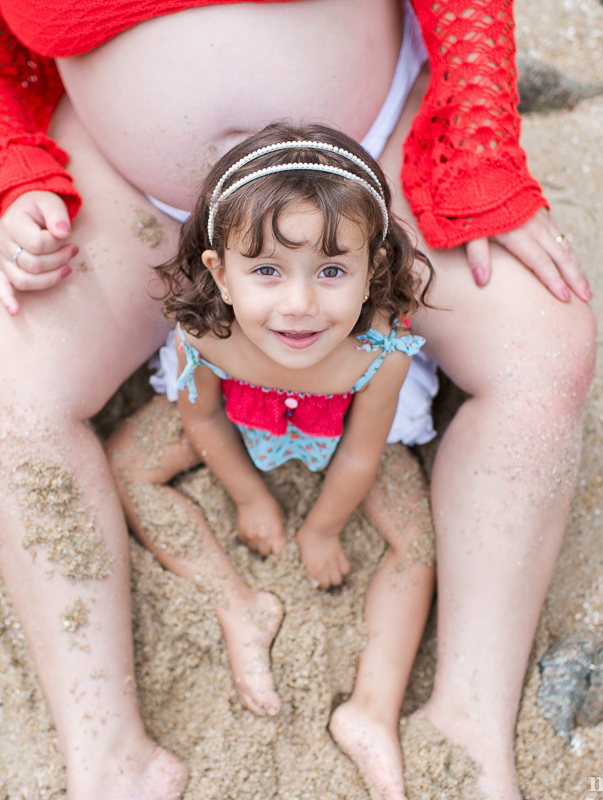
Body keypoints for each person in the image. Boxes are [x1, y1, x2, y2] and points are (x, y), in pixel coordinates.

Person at [0, 1, 597, 799]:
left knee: (544, 345)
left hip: (361, 173)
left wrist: (482, 151)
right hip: (130, 191)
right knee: (5, 379)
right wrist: (13, 178)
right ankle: (109, 759)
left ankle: (469, 724)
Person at [106, 123, 437, 799]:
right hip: (238, 419)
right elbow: (198, 418)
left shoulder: (381, 352)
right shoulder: (205, 331)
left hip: (337, 440)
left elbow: (363, 453)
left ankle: (371, 709)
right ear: (219, 273)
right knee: (125, 464)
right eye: (266, 270)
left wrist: (319, 528)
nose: (298, 305)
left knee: (417, 546)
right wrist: (249, 497)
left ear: (372, 269)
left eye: (332, 271)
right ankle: (236, 603)